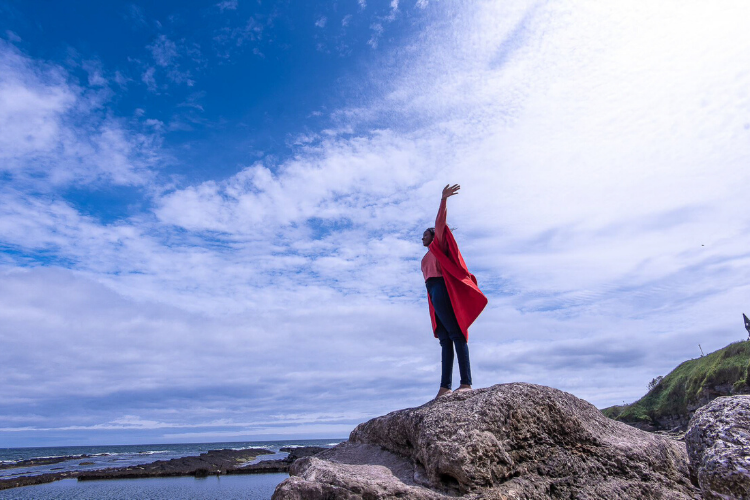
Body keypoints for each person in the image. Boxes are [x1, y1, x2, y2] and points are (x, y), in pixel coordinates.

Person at [422, 184, 488, 399]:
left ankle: (466, 382)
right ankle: (444, 386)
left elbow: (439, 223)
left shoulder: (437, 246)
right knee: (444, 338)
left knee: (456, 334)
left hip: (441, 289)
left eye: (425, 235)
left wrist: (443, 200)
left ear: (434, 237)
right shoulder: (426, 257)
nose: (421, 238)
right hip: (432, 294)